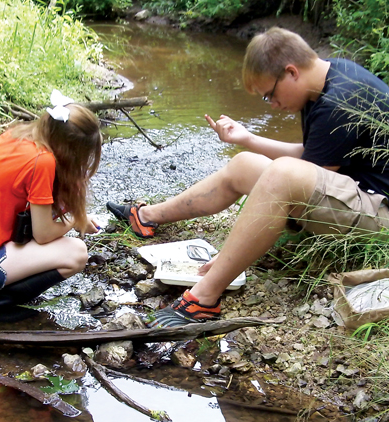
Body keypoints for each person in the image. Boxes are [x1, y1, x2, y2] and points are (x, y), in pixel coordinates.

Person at [107, 27, 389, 328]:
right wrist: (248, 138)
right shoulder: (332, 74)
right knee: (244, 164)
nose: (273, 104)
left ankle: (204, 298)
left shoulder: (338, 102)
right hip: (357, 191)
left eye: (270, 94)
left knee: (281, 176)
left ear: (291, 72)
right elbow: (314, 155)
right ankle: (147, 217)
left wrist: (232, 254)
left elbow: (301, 180)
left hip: (381, 213)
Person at [0, 90, 102, 321]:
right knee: (76, 253)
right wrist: (76, 220)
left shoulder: (17, 135)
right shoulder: (42, 161)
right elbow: (43, 235)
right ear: (70, 151)